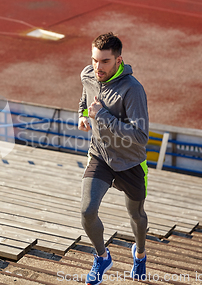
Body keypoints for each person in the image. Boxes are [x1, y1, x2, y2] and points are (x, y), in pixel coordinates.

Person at [78, 32, 149, 284]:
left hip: (130, 163)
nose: (98, 67)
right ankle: (102, 256)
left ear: (119, 60)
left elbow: (140, 136)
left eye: (105, 61)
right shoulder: (89, 74)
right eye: (95, 60)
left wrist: (101, 116)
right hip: (100, 155)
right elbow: (86, 95)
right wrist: (83, 114)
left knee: (137, 216)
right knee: (87, 211)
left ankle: (139, 254)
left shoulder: (133, 90)